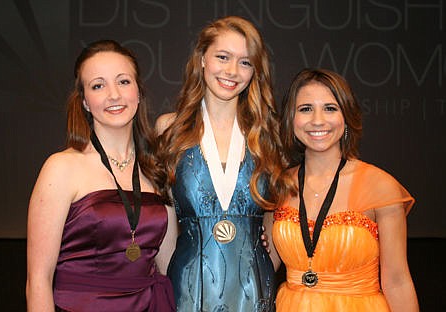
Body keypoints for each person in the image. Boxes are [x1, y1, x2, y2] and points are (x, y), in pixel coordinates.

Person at [26, 40, 175, 311]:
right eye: (98, 85)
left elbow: (168, 266)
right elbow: (38, 280)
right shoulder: (61, 168)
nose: (114, 95)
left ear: (139, 92)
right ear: (84, 101)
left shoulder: (156, 169)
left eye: (123, 82)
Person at [155, 16, 288, 312]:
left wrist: (266, 266)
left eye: (245, 62)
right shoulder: (169, 129)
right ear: (202, 58)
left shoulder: (266, 133)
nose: (232, 71)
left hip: (254, 291)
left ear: (255, 71)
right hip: (188, 290)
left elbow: (275, 212)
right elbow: (165, 219)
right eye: (223, 57)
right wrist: (168, 282)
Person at [273, 68, 419, 311]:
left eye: (330, 108)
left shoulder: (380, 186)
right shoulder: (279, 186)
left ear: (347, 116)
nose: (317, 120)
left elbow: (397, 281)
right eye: (305, 109)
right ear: (291, 119)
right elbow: (260, 268)